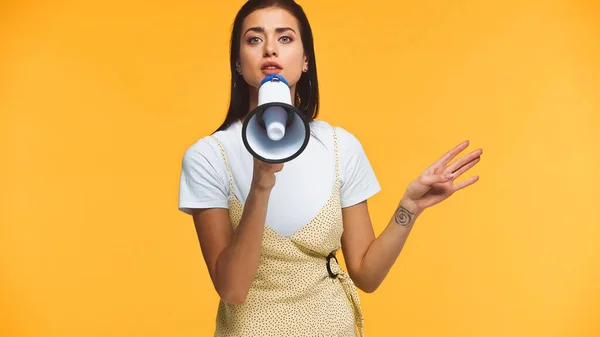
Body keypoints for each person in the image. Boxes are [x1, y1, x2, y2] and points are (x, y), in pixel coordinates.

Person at [178, 0, 483, 336]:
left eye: (285, 38)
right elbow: (233, 289)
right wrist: (261, 183)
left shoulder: (341, 147)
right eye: (254, 39)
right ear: (238, 62)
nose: (269, 50)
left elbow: (366, 275)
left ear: (306, 59)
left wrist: (409, 208)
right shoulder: (208, 156)